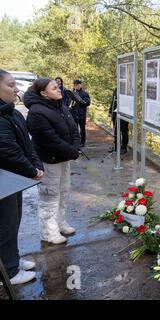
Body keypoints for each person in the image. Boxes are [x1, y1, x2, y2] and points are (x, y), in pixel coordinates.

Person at [24, 77, 81, 245]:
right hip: (49, 161)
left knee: (63, 191)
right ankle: (49, 232)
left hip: (65, 158)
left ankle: (60, 222)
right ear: (44, 93)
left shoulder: (60, 106)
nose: (59, 90)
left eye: (58, 87)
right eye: (54, 88)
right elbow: (51, 140)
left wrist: (76, 148)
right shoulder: (37, 112)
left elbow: (73, 129)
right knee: (50, 196)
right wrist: (72, 151)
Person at [0, 69, 44, 285]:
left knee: (13, 221)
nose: (16, 88)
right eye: (10, 85)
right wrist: (32, 170)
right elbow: (8, 150)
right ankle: (8, 273)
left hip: (13, 180)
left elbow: (27, 142)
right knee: (5, 225)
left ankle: (12, 260)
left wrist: (35, 165)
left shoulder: (11, 112)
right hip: (4, 181)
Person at [69, 79, 90, 147]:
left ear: (80, 85)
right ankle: (75, 141)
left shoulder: (84, 93)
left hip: (81, 114)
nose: (76, 86)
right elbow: (69, 102)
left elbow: (87, 103)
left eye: (77, 85)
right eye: (75, 85)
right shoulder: (72, 92)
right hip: (73, 113)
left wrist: (80, 100)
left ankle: (82, 142)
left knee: (82, 128)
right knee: (74, 128)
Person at [108, 88, 128, 155]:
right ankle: (116, 147)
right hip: (115, 114)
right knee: (116, 131)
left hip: (124, 114)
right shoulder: (116, 89)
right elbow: (113, 101)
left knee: (124, 131)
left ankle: (124, 147)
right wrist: (110, 111)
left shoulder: (128, 89)